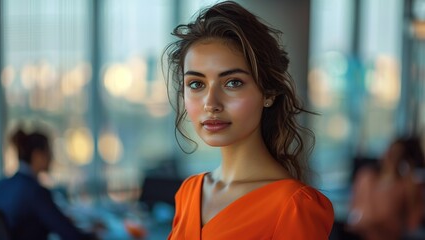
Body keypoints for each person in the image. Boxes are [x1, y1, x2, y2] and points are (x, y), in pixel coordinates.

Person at [164, 1, 334, 239]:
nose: (211, 103)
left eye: (232, 82)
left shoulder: (294, 206)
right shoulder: (189, 192)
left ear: (268, 93)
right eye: (196, 84)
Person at [0, 127, 97, 240]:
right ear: (37, 156)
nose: (52, 158)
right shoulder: (35, 191)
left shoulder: (1, 185)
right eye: (49, 152)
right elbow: (71, 235)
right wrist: (95, 235)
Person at [347, 137, 425, 240]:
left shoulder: (407, 186)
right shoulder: (366, 177)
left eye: (398, 154)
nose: (391, 156)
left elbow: (413, 222)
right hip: (358, 232)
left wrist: (410, 181)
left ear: (405, 160)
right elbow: (354, 209)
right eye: (391, 151)